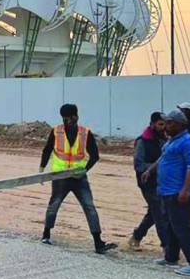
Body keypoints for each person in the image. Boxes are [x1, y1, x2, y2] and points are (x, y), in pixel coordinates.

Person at [38, 103, 117, 254]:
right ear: (64, 118)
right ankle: (46, 234)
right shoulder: (56, 131)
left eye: (74, 117)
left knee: (89, 207)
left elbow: (95, 156)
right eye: (69, 118)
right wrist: (42, 169)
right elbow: (47, 150)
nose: (72, 120)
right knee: (54, 204)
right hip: (60, 176)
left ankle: (98, 242)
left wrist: (84, 170)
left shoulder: (85, 133)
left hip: (79, 178)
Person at [144, 108, 190, 276]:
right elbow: (163, 157)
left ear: (180, 124)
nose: (166, 126)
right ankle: (171, 257)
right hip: (166, 191)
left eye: (170, 123)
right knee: (170, 226)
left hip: (178, 193)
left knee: (182, 228)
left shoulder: (187, 142)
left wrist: (185, 190)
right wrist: (150, 169)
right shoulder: (171, 141)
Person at [127, 112, 167, 250]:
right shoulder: (142, 141)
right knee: (160, 213)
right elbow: (138, 165)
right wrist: (156, 167)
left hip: (163, 182)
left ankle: (137, 236)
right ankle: (167, 247)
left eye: (165, 124)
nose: (163, 127)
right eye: (160, 124)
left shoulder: (165, 140)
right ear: (152, 124)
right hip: (148, 183)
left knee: (154, 213)